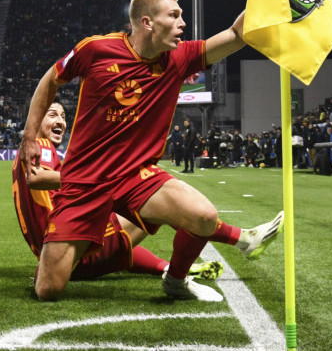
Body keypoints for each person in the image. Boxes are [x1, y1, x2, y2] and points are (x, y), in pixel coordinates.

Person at [18, 0, 284, 301]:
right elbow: (51, 78)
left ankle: (176, 280)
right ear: (147, 22)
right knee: (48, 290)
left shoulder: (180, 57)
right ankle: (71, 253)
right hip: (84, 182)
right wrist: (28, 136)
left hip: (135, 178)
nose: (182, 23)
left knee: (203, 216)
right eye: (174, 15)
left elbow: (236, 35)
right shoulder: (97, 49)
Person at [12, 102, 221, 281]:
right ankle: (232, 236)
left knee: (123, 227)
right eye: (52, 115)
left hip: (57, 256)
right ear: (36, 120)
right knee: (151, 199)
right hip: (68, 248)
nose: (61, 121)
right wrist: (96, 180)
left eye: (64, 116)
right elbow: (38, 177)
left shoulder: (25, 156)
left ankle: (165, 267)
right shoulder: (40, 146)